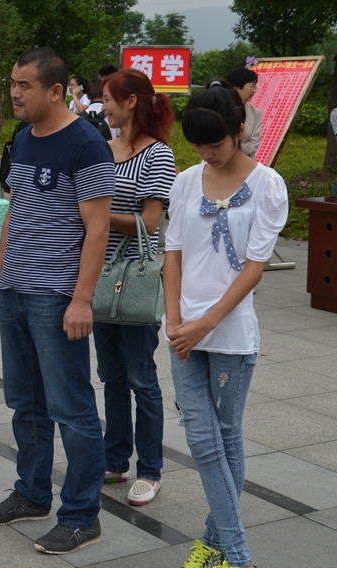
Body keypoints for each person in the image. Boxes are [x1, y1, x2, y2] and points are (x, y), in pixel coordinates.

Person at [0, 47, 114, 555]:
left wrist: (82, 300)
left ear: (56, 91)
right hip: (17, 288)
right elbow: (15, 211)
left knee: (71, 408)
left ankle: (81, 516)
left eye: (25, 85)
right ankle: (32, 493)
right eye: (12, 83)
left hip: (56, 296)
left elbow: (98, 229)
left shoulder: (86, 143)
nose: (14, 93)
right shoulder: (23, 137)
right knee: (25, 402)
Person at [165, 81, 287, 568]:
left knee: (226, 436)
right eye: (197, 145)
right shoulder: (186, 181)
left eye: (214, 143)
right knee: (201, 436)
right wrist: (175, 321)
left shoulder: (267, 185)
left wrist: (206, 324)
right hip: (181, 330)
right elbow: (173, 253)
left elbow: (254, 268)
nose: (205, 153)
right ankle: (235, 555)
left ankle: (224, 549)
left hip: (230, 333)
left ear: (239, 130)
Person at [95, 68, 176, 506]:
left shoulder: (157, 155)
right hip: (98, 275)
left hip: (134, 277)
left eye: (108, 98)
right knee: (111, 377)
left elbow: (149, 221)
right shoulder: (103, 149)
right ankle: (114, 460)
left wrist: (94, 214)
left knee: (142, 378)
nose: (103, 106)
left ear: (130, 102)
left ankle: (150, 470)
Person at [225, 67, 262, 159]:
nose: (255, 90)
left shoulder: (255, 113)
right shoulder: (221, 110)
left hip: (247, 163)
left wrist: (233, 148)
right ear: (236, 87)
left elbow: (254, 143)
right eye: (251, 86)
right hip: (222, 162)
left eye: (255, 86)